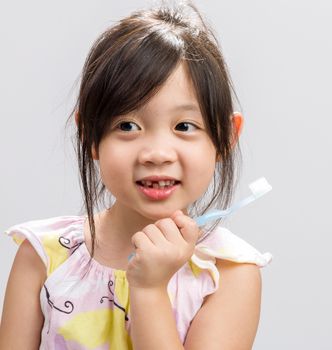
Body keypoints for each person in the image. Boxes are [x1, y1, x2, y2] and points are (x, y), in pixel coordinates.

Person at [0, 2, 272, 349]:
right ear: (90, 136)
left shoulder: (228, 273)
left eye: (184, 126)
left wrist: (148, 290)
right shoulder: (43, 255)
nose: (157, 153)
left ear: (225, 137)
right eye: (128, 125)